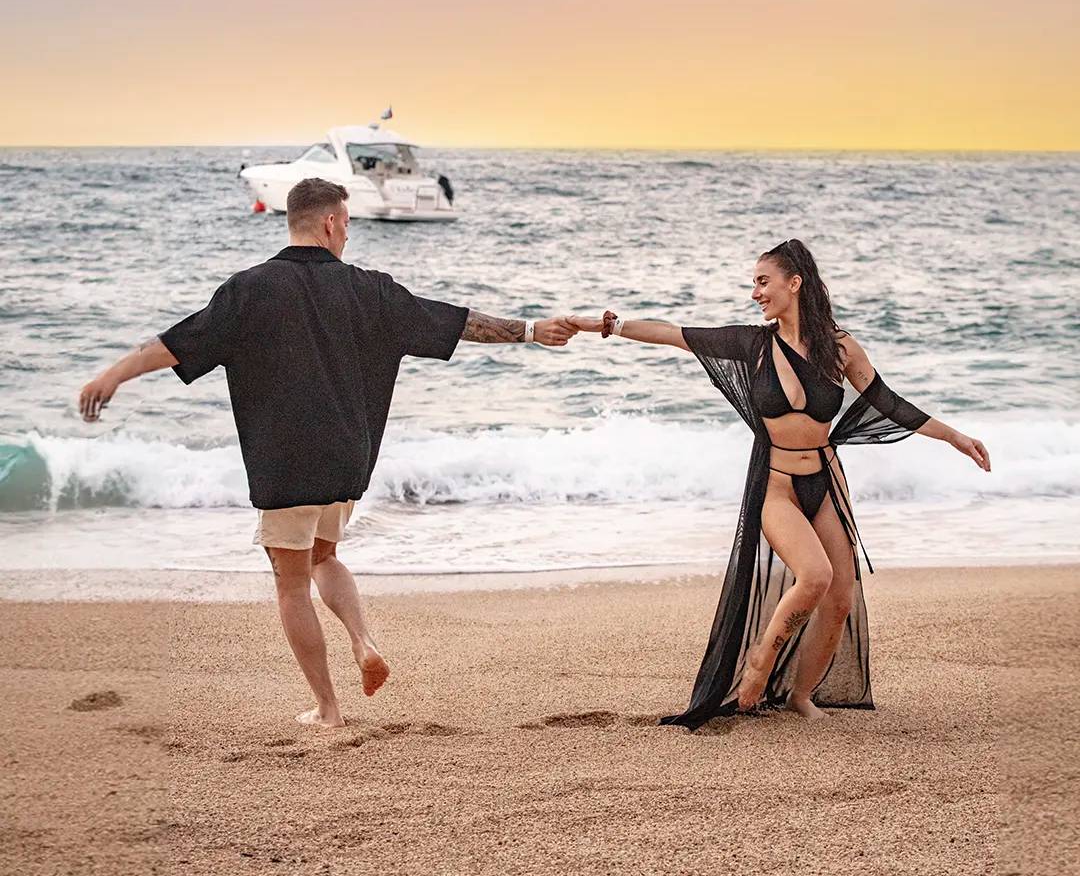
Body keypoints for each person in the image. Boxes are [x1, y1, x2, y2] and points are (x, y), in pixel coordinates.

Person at [78, 176, 578, 729]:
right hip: (348, 458)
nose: (348, 234)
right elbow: (455, 323)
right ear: (330, 222)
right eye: (347, 223)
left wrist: (111, 376)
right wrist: (531, 330)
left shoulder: (248, 290)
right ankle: (363, 641)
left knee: (291, 582)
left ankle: (328, 708)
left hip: (285, 461)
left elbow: (173, 346)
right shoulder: (372, 290)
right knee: (324, 557)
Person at [570, 239, 990, 728]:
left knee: (839, 599)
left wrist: (954, 437)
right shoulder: (753, 345)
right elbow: (674, 334)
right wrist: (610, 325)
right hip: (778, 486)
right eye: (754, 283)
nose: (755, 293)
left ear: (795, 283)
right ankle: (760, 661)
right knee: (814, 577)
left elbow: (888, 402)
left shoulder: (839, 348)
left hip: (826, 482)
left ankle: (801, 695)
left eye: (762, 281)